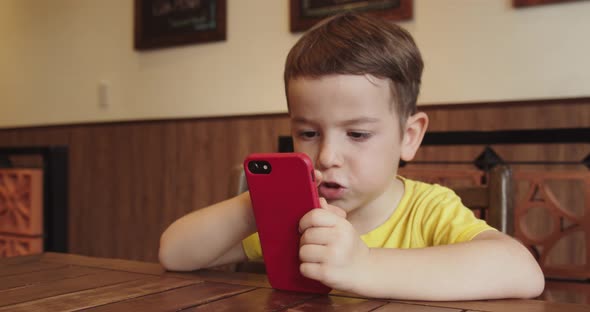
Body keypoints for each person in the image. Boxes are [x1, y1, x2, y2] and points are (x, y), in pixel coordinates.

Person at [158, 12, 544, 300]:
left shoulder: (428, 209)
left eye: (357, 134)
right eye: (308, 133)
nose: (327, 155)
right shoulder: (298, 216)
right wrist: (257, 204)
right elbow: (174, 254)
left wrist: (363, 265)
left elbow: (523, 272)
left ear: (409, 136)